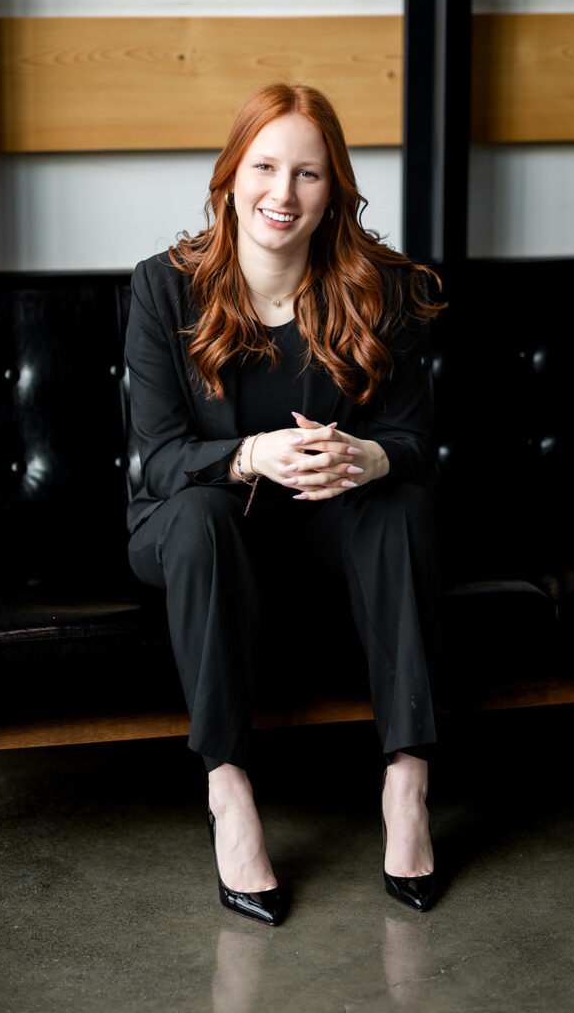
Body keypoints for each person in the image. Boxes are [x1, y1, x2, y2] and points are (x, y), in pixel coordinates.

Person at [125, 83, 445, 925]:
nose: (283, 193)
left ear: (333, 188)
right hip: (202, 526)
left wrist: (364, 454)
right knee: (196, 515)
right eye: (264, 166)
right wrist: (250, 455)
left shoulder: (385, 286)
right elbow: (158, 462)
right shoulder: (164, 289)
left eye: (308, 174)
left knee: (398, 501)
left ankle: (405, 783)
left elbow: (414, 443)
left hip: (322, 523)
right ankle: (228, 792)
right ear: (230, 175)